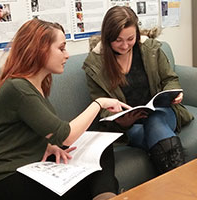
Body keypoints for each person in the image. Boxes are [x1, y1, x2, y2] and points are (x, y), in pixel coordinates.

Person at [0, 18, 129, 200]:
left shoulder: (35, 86)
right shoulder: (18, 88)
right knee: (87, 183)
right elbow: (65, 135)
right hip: (7, 178)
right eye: (61, 48)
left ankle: (106, 196)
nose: (67, 55)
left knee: (100, 146)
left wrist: (49, 147)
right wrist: (98, 103)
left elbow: (30, 133)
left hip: (33, 167)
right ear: (40, 50)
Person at [82, 6, 194, 175]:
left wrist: (175, 93)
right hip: (129, 126)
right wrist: (122, 121)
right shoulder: (95, 64)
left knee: (154, 121)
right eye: (118, 40)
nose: (125, 45)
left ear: (137, 33)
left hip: (161, 113)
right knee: (153, 136)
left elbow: (170, 79)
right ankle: (181, 183)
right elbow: (100, 104)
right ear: (107, 37)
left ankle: (177, 183)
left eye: (130, 38)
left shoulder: (150, 50)